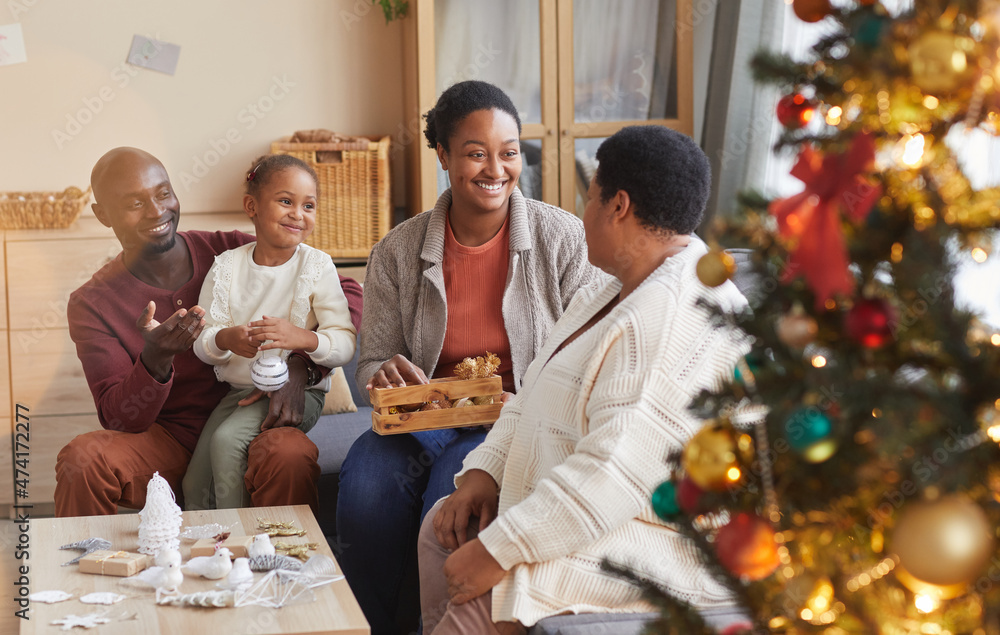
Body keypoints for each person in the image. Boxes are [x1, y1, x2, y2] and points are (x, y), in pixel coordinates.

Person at [418, 125, 750, 634]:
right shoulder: (611, 290)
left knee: (501, 586)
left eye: (588, 198)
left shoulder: (669, 315)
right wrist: (484, 476)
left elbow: (610, 476)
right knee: (444, 526)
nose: (582, 214)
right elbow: (532, 395)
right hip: (602, 507)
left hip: (666, 534)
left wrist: (499, 550)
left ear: (618, 206)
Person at [337, 80, 601, 635]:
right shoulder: (398, 250)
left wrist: (528, 400)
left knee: (448, 502)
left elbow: (594, 348)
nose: (495, 169)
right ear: (444, 156)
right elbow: (371, 364)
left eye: (508, 153)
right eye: (476, 153)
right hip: (425, 418)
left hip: (511, 419)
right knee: (364, 484)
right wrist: (381, 371)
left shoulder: (563, 238)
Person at [54, 147, 362, 517]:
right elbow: (120, 419)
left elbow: (347, 291)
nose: (156, 211)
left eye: (163, 193)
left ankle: (287, 569)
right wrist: (155, 359)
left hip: (255, 417)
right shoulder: (92, 302)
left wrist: (300, 366)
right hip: (167, 442)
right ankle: (87, 570)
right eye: (134, 203)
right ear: (102, 214)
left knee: (289, 453)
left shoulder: (228, 250)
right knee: (82, 459)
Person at [183, 154, 357, 510]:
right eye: (285, 201)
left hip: (301, 394)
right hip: (239, 393)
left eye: (309, 205)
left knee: (227, 441)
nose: (298, 214)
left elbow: (344, 343)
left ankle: (233, 544)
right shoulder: (227, 266)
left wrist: (302, 338)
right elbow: (203, 338)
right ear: (252, 206)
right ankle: (199, 552)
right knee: (194, 481)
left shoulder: (317, 266)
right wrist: (225, 339)